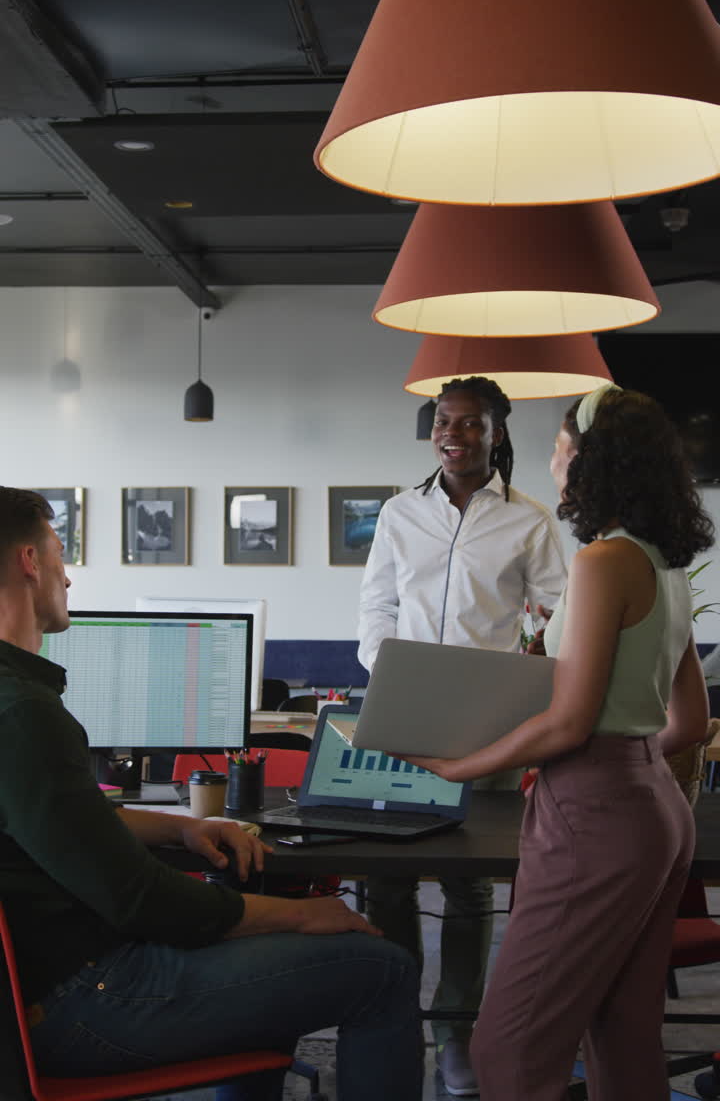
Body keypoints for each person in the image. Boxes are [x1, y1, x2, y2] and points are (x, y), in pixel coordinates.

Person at [0, 487, 424, 1101]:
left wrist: (179, 828)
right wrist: (303, 914)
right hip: (87, 1001)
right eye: (60, 553)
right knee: (382, 969)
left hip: (54, 990)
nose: (68, 577)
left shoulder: (15, 702)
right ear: (30, 563)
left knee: (277, 957)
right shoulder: (23, 714)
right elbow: (145, 902)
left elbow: (71, 821)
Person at [400, 384, 714, 1101]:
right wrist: (630, 764)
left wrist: (458, 765)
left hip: (595, 809)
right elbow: (689, 723)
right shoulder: (662, 562)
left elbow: (570, 723)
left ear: (590, 460)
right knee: (624, 1034)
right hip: (657, 811)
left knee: (507, 1047)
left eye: (560, 444)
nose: (550, 457)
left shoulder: (605, 562)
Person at [357, 376, 566, 1096]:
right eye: (443, 422)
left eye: (470, 424)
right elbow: (376, 603)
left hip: (489, 719)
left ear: (497, 434)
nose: (453, 434)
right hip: (404, 711)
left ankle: (456, 1035)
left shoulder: (529, 521)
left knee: (471, 886)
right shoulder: (398, 513)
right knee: (383, 880)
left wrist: (538, 653)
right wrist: (388, 665)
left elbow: (558, 612)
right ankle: (392, 1019)